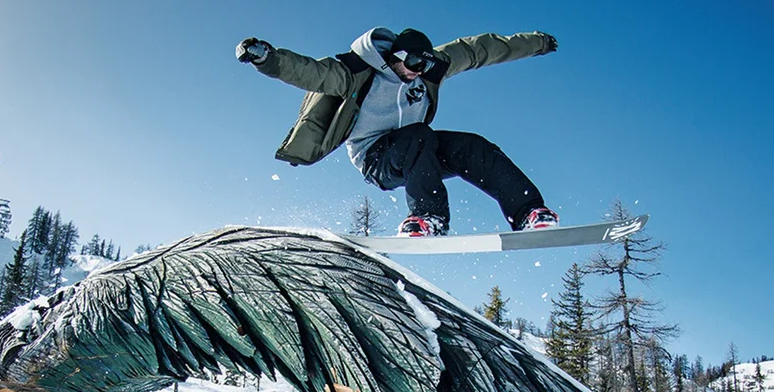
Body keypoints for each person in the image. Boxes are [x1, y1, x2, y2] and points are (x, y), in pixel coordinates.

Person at [235, 27, 561, 237]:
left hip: (420, 153)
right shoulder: (355, 73)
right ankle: (428, 217)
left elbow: (480, 49)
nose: (416, 72)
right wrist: (267, 58)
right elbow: (309, 72)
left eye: (424, 65)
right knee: (418, 135)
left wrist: (536, 43)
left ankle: (527, 211)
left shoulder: (429, 70)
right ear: (394, 56)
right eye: (412, 63)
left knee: (472, 146)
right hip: (378, 160)